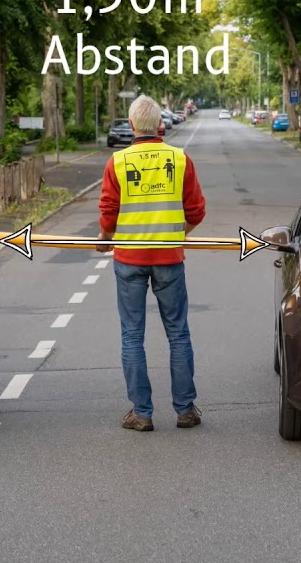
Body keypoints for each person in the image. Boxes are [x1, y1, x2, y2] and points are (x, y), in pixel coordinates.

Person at [96, 94, 206, 432]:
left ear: (131, 126)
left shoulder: (117, 162)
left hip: (129, 259)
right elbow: (197, 211)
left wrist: (105, 237)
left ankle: (142, 413)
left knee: (132, 335)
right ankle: (185, 409)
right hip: (169, 259)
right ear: (160, 125)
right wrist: (177, 233)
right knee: (178, 333)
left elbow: (109, 209)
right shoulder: (180, 159)